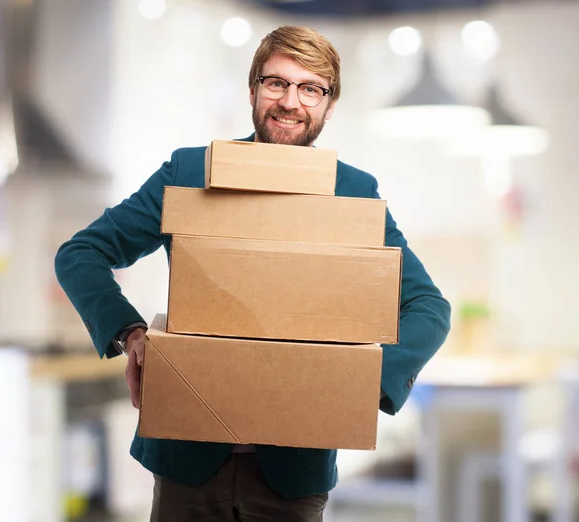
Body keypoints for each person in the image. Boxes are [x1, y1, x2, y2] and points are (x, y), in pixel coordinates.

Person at [55, 25, 451, 522]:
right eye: (276, 83)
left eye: (311, 88)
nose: (291, 101)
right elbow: (80, 253)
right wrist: (128, 331)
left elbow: (429, 307)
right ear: (252, 90)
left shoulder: (352, 193)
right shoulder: (191, 174)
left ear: (330, 106)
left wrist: (363, 382)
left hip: (292, 471)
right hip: (187, 463)